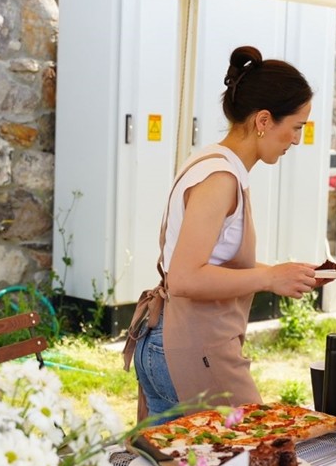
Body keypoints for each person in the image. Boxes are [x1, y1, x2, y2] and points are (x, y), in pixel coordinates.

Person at [123, 45, 321, 418]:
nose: (297, 139)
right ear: (264, 120)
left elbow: (210, 262)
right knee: (249, 460)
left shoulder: (213, 162)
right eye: (296, 127)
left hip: (168, 340)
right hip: (191, 346)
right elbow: (184, 278)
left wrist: (286, 275)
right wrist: (267, 277)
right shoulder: (220, 178)